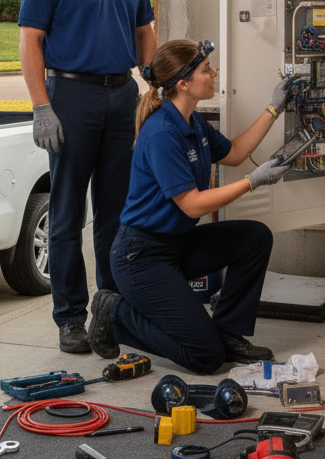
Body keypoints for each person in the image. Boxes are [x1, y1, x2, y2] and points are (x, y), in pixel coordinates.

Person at [86, 38, 294, 373]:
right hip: (141, 257)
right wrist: (253, 182)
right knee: (205, 358)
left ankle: (228, 332)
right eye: (205, 70)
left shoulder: (192, 122)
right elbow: (193, 206)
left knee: (255, 237)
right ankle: (115, 313)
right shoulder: (162, 133)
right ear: (183, 84)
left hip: (176, 245)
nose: (214, 74)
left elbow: (235, 153)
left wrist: (274, 109)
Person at [19, 0, 156, 354]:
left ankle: (112, 311)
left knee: (117, 215)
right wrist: (42, 106)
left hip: (121, 96)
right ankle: (71, 318)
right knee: (66, 216)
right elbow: (30, 41)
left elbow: (144, 30)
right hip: (70, 99)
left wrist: (153, 84)